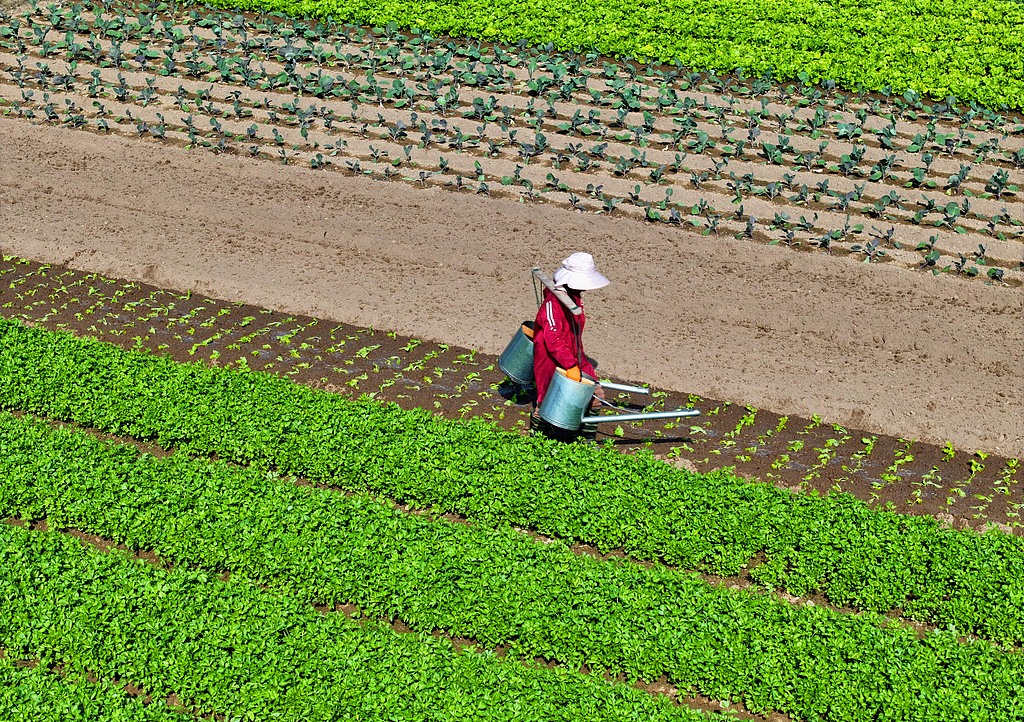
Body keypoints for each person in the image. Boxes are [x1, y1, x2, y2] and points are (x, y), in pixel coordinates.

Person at [532, 252, 609, 410]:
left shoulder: (574, 298)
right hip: (551, 357)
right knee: (550, 402)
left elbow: (574, 337)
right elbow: (553, 339)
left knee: (595, 396)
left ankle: (583, 431)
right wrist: (570, 365)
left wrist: (578, 364)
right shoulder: (553, 304)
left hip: (573, 353)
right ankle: (541, 428)